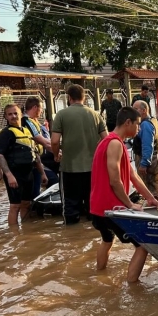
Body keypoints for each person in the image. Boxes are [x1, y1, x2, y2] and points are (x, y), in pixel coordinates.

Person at [90, 107, 158, 283]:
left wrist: (150, 198)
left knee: (107, 240)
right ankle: (133, 287)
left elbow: (133, 177)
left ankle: (100, 278)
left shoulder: (108, 141)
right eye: (137, 124)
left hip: (97, 207)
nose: (138, 129)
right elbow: (115, 180)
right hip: (111, 208)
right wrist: (130, 204)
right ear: (128, 122)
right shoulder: (114, 143)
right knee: (143, 245)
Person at [51, 84, 107, 225]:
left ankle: (72, 238)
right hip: (93, 168)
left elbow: (55, 141)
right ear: (84, 97)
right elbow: (107, 140)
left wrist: (56, 155)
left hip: (69, 168)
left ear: (69, 98)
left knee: (69, 206)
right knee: (92, 205)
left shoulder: (61, 114)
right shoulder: (95, 115)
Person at [0, 104, 48, 225]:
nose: (13, 116)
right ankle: (14, 234)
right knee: (15, 205)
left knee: (26, 203)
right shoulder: (5, 134)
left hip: (28, 173)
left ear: (21, 114)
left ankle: (25, 232)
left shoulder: (26, 131)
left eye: (15, 113)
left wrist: (42, 173)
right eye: (10, 114)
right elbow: (0, 156)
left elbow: (35, 155)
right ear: (6, 117)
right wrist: (9, 175)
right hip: (14, 174)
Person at [22, 97, 58, 198]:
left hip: (38, 159)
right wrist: (57, 151)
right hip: (33, 161)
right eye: (41, 108)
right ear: (35, 107)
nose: (42, 111)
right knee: (52, 181)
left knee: (36, 189)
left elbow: (46, 141)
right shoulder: (26, 121)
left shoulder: (33, 121)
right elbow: (42, 141)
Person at [132, 100, 158, 199]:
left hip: (149, 160)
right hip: (156, 157)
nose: (133, 112)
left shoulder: (145, 125)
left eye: (135, 109)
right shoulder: (153, 120)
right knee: (157, 187)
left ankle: (152, 209)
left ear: (144, 110)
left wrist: (143, 164)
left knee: (150, 192)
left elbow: (147, 145)